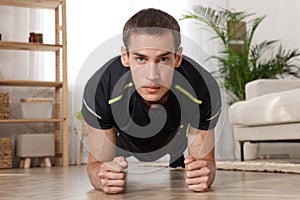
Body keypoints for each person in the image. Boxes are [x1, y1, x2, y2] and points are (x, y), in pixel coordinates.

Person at [82, 8, 222, 194]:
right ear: (125, 57)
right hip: (123, 141)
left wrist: (204, 174)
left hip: (174, 138)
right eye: (141, 59)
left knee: (179, 153)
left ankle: (176, 156)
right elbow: (95, 166)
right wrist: (103, 177)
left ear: (177, 58)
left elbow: (206, 164)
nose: (152, 76)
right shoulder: (101, 87)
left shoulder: (203, 88)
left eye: (163, 59)